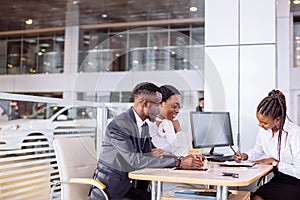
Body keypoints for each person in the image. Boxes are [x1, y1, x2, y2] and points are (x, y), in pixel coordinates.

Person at [90, 82, 205, 200]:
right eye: (158, 105)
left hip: (133, 188)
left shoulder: (143, 125)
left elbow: (154, 155)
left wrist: (183, 160)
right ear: (145, 103)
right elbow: (135, 161)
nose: (160, 109)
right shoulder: (120, 125)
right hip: (114, 191)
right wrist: (178, 163)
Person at [234, 90, 300, 200]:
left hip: (296, 181)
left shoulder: (295, 134)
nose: (260, 125)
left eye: (264, 123)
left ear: (277, 120)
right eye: (259, 121)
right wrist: (245, 156)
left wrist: (275, 162)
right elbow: (258, 150)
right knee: (256, 197)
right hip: (280, 178)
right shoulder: (265, 130)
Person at [149, 85, 192, 156]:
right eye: (174, 106)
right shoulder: (148, 126)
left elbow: (179, 149)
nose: (178, 111)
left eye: (179, 107)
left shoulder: (168, 123)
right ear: (160, 103)